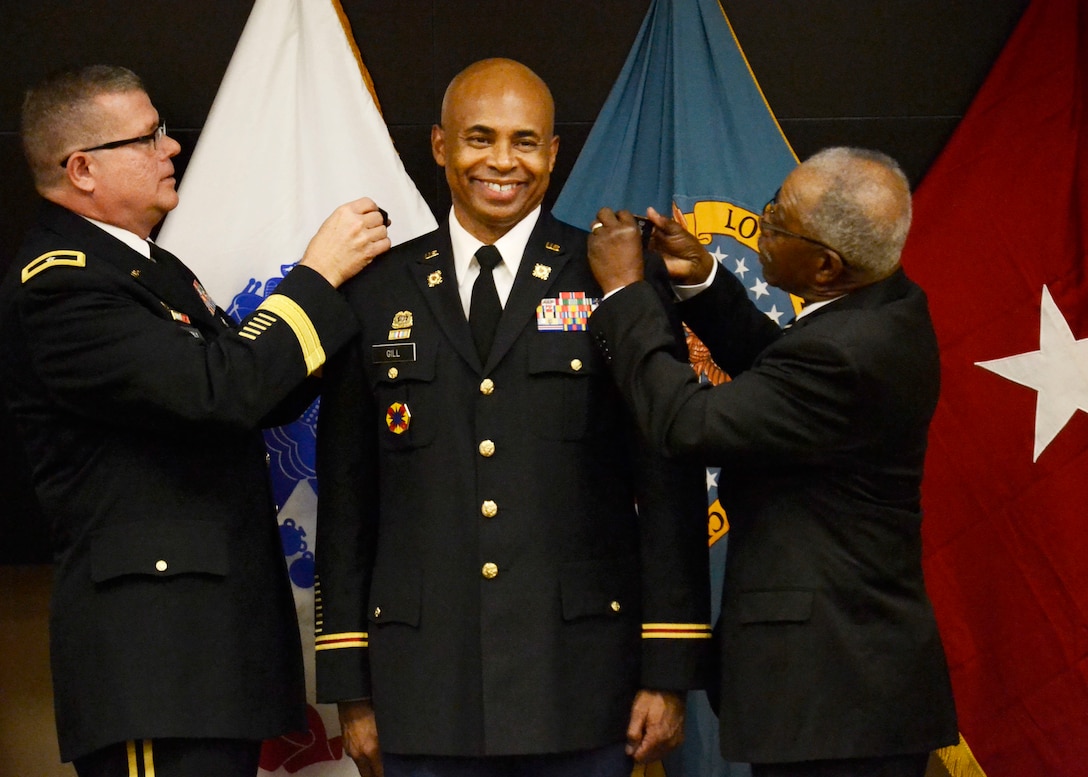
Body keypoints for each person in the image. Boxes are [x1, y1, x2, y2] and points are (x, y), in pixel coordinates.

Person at [314, 58, 711, 777]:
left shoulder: (614, 276)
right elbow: (347, 498)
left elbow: (666, 480)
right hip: (422, 688)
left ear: (554, 154)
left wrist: (667, 667)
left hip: (583, 682)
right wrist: (350, 687)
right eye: (479, 137)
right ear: (439, 146)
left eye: (526, 141)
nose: (502, 161)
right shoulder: (374, 289)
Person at [0, 65, 391, 777]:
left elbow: (259, 400)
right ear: (82, 169)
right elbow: (223, 391)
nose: (171, 146)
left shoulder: (151, 270)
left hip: (206, 658)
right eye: (148, 136)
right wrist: (315, 274)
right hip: (155, 667)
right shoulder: (62, 285)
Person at [584, 147, 959, 777]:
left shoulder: (849, 352)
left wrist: (625, 294)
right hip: (850, 697)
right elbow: (780, 367)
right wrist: (701, 280)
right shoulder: (884, 306)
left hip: (838, 707)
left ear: (824, 266)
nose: (761, 224)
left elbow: (683, 423)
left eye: (776, 220)